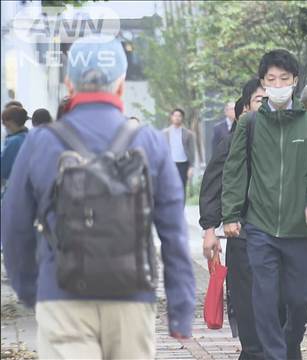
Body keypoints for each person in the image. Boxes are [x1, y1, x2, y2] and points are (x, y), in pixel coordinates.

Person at [0, 35, 195, 359]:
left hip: (61, 295)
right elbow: (173, 234)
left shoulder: (41, 142)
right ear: (120, 84)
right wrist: (181, 309)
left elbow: (14, 225)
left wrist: (32, 291)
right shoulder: (149, 142)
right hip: (131, 297)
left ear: (69, 84)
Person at [221, 49, 307, 360]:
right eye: (272, 79)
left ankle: (290, 343)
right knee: (265, 297)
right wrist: (230, 214)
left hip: (301, 229)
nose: (279, 84)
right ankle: (275, 354)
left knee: (299, 301)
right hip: (260, 227)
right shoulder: (250, 123)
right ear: (263, 83)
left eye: (284, 78)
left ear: (295, 81)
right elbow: (235, 170)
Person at [200, 78, 267, 360]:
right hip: (243, 230)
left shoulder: (293, 138)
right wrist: (209, 229)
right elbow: (213, 185)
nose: (265, 107)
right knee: (245, 297)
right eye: (259, 101)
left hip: (283, 233)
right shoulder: (233, 142)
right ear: (246, 108)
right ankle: (252, 351)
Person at [163, 108, 196, 197]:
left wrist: (191, 167)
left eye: (179, 116)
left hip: (183, 164)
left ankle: (181, 209)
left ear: (182, 118)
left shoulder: (188, 134)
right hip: (170, 164)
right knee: (169, 187)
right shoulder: (165, 133)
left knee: (182, 187)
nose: (177, 118)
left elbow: (192, 151)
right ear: (171, 117)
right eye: (175, 116)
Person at [1, 106, 29, 186]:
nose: (4, 126)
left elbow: (3, 168)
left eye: (6, 124)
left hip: (16, 184)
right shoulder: (28, 136)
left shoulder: (14, 141)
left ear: (11, 122)